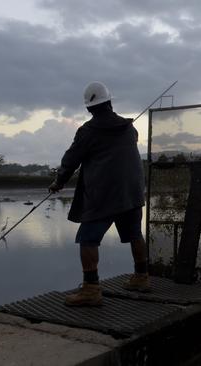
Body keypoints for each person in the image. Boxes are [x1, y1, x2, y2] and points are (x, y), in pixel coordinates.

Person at [49, 81, 149, 306]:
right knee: (135, 234)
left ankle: (91, 290)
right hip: (132, 192)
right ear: (110, 102)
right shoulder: (130, 129)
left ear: (89, 108)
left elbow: (70, 160)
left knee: (87, 239)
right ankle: (142, 278)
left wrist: (58, 182)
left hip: (103, 195)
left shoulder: (88, 132)